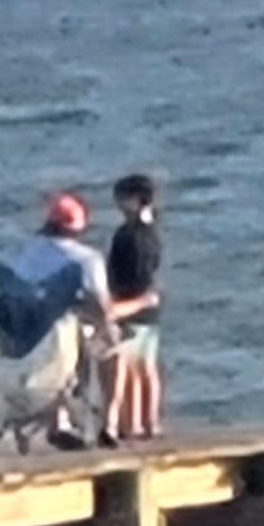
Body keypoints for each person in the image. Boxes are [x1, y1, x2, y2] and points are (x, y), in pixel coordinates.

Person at [0, 192, 116, 449]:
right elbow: (103, 308)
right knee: (105, 345)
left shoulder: (25, 252)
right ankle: (105, 423)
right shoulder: (86, 259)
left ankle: (58, 421)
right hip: (62, 333)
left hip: (22, 334)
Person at [103, 171, 164, 441]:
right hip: (150, 306)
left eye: (122, 199)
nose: (118, 204)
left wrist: (115, 301)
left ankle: (132, 423)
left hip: (129, 304)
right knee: (146, 366)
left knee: (128, 369)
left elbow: (122, 274)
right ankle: (150, 422)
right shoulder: (153, 234)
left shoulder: (127, 235)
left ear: (136, 201)